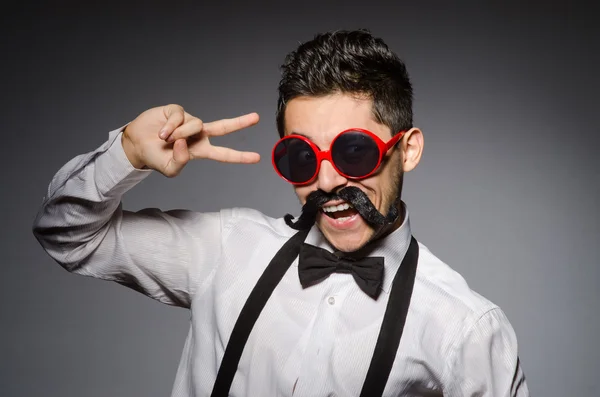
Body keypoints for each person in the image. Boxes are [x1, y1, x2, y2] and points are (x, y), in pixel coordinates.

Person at [32, 29, 529, 396]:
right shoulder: (226, 248)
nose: (329, 182)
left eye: (354, 152)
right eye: (302, 158)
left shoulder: (465, 327)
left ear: (409, 149)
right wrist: (128, 154)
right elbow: (66, 235)